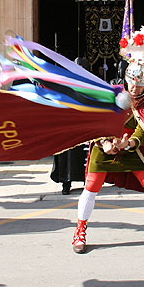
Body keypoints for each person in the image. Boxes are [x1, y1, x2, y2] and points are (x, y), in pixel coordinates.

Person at [72, 27, 144, 254]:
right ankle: (80, 231)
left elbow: (142, 131)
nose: (135, 88)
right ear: (126, 79)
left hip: (133, 149)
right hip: (104, 147)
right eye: (132, 82)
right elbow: (98, 122)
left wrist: (127, 144)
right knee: (91, 188)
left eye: (140, 84)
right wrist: (105, 142)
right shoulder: (112, 95)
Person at [50, 57, 91, 195]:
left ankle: (87, 182)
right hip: (69, 125)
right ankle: (66, 183)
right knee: (66, 156)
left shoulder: (92, 85)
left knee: (86, 155)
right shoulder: (65, 83)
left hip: (85, 125)